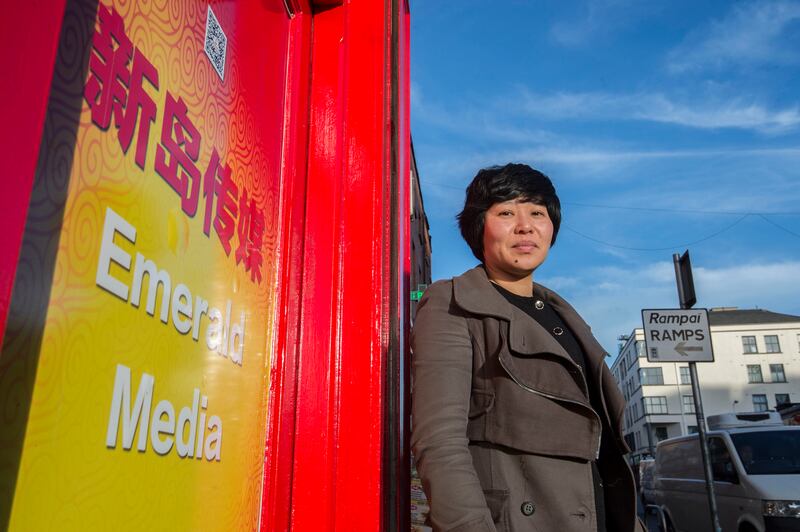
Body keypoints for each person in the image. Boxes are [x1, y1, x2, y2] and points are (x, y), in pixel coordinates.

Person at [411, 163, 644, 532]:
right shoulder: (454, 302)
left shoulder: (563, 314)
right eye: (506, 212)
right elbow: (439, 441)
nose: (526, 225)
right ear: (478, 227)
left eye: (538, 212)